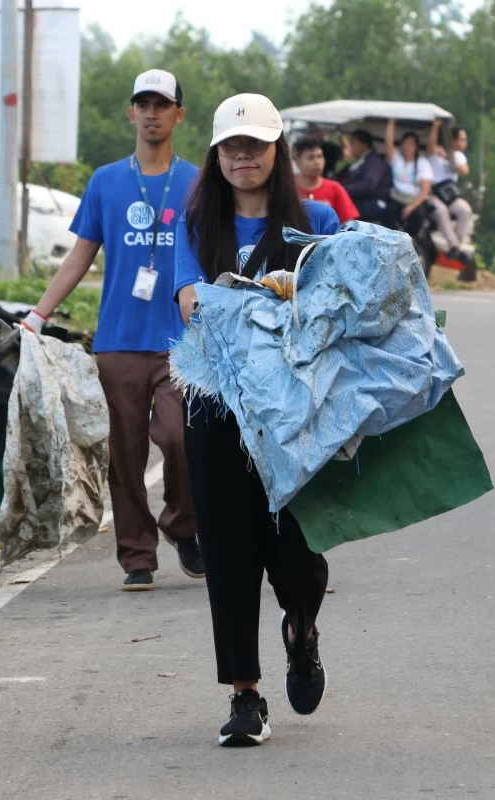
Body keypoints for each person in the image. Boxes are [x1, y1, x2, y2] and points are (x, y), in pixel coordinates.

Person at [174, 93, 341, 748]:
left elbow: (338, 303)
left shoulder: (319, 218)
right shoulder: (194, 224)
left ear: (277, 150)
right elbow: (192, 301)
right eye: (231, 146)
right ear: (217, 156)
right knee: (229, 553)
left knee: (298, 554)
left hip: (294, 412)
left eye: (256, 143)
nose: (243, 155)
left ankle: (302, 631)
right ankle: (245, 696)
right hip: (214, 411)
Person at [23, 69, 204, 592]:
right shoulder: (106, 181)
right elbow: (81, 255)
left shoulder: (197, 182)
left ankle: (182, 525)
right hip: (119, 341)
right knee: (124, 454)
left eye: (162, 105)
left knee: (183, 438)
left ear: (178, 115)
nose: (151, 113)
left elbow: (215, 251)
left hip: (182, 341)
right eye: (142, 104)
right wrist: (39, 314)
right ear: (131, 113)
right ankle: (136, 556)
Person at [425, 118, 475, 261]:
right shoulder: (435, 151)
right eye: (462, 140)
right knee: (441, 211)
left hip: (449, 194)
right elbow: (430, 147)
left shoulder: (457, 156)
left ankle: (455, 247)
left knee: (465, 210)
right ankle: (455, 247)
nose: (465, 143)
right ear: (453, 140)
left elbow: (464, 171)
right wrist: (435, 127)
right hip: (434, 192)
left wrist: (448, 157)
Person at [385, 119, 435, 235]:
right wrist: (391, 122)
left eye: (411, 144)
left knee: (419, 214)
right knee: (389, 211)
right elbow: (389, 143)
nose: (407, 146)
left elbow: (425, 189)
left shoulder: (422, 163)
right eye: (405, 143)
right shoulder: (397, 158)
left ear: (416, 147)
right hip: (396, 196)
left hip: (414, 199)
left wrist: (412, 206)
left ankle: (411, 240)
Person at [293, 137, 359, 223]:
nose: (317, 162)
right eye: (311, 158)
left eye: (320, 156)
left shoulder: (335, 188)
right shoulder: (288, 187)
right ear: (297, 161)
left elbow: (349, 225)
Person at [339, 128, 394, 226]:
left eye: (353, 143)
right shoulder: (360, 161)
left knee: (342, 211)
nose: (351, 147)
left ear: (363, 145)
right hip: (360, 200)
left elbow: (368, 184)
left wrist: (343, 189)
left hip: (373, 202)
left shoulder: (374, 161)